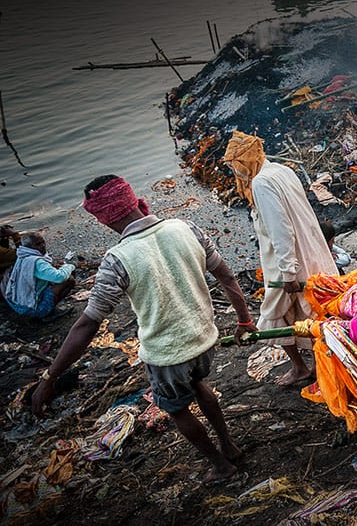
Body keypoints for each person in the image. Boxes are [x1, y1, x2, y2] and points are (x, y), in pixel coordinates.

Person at [31, 175, 255, 483]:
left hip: (167, 354)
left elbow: (87, 323)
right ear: (133, 200)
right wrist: (244, 320)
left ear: (104, 218)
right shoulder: (186, 228)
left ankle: (219, 465)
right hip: (204, 338)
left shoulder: (118, 259)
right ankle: (228, 446)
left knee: (177, 409)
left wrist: (50, 376)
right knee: (199, 384)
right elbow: (227, 278)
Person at [223, 131, 338, 386]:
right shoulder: (282, 170)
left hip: (288, 263)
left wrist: (287, 273)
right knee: (310, 313)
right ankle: (317, 367)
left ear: (247, 161)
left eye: (236, 165)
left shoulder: (261, 183)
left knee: (276, 314)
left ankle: (306, 368)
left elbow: (281, 229)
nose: (236, 172)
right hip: (311, 253)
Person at [2, 232, 75, 318]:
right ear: (29, 247)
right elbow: (60, 277)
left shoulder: (22, 255)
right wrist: (70, 266)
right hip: (30, 308)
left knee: (57, 275)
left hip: (17, 303)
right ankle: (47, 313)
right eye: (38, 244)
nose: (42, 246)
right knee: (69, 279)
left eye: (43, 242)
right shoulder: (35, 261)